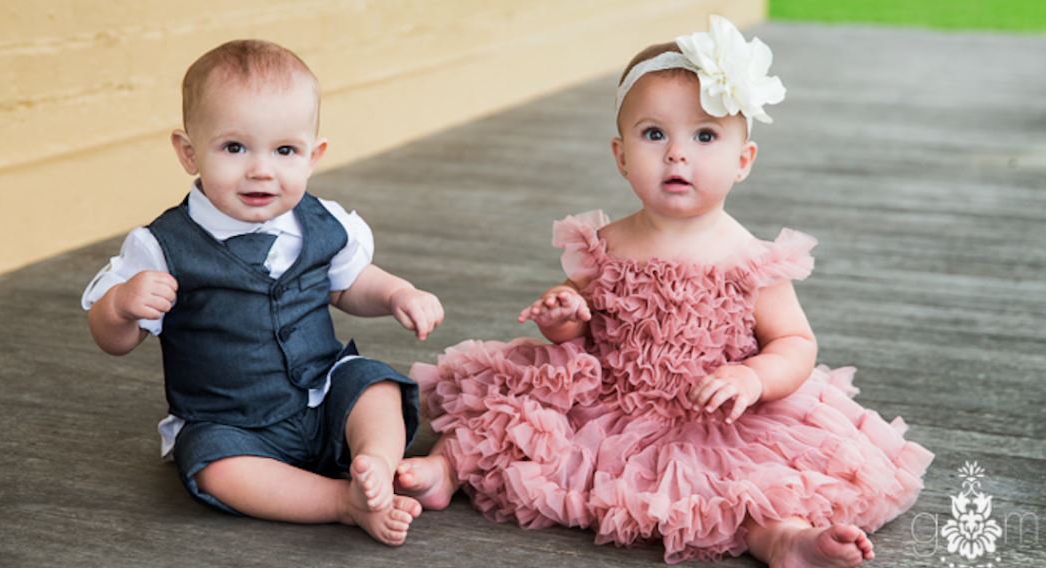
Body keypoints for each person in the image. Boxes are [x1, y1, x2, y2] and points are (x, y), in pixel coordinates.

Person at [395, 16, 932, 566]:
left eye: (704, 136)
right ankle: (447, 469)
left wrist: (752, 377)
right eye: (655, 134)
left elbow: (795, 342)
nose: (678, 154)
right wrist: (564, 312)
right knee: (514, 409)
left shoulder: (751, 260)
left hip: (718, 415)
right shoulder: (607, 242)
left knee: (744, 479)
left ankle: (784, 537)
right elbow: (580, 329)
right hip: (608, 399)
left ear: (743, 161)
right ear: (621, 155)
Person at [81, 39, 444, 546]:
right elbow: (112, 339)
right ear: (189, 153)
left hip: (321, 395)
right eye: (234, 147)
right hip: (231, 423)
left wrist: (396, 294)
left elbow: (349, 285)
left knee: (375, 386)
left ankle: (377, 467)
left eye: (285, 151)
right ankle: (340, 502)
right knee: (216, 468)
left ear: (313, 156)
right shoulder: (162, 246)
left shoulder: (322, 223)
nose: (261, 169)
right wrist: (120, 306)